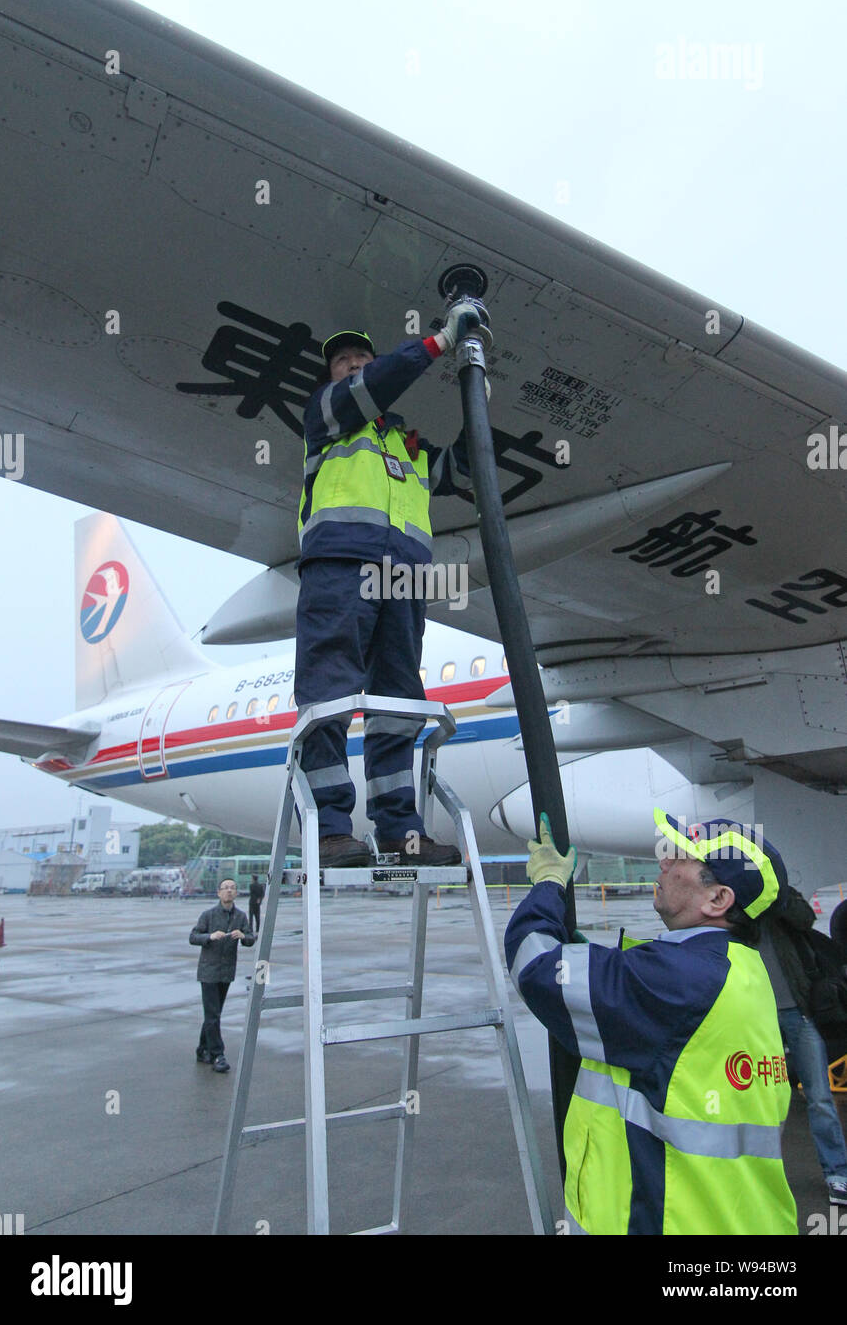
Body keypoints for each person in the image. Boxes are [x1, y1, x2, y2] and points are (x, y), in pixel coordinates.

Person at [505, 809, 798, 1235]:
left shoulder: (677, 981)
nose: (664, 861)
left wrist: (548, 884)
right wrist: (610, 973)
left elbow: (532, 963)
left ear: (718, 899)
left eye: (682, 857)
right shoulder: (740, 968)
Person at [294, 308, 481, 867]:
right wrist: (441, 341)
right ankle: (329, 829)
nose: (353, 369)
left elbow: (469, 470)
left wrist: (479, 394)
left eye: (361, 360)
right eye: (342, 364)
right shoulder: (326, 416)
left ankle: (401, 830)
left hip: (403, 578)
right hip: (340, 564)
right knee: (330, 690)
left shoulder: (408, 446)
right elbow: (371, 389)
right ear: (333, 379)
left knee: (398, 701)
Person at [758, 887, 847, 1205]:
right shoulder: (732, 903)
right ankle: (759, 1176)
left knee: (820, 1096)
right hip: (753, 1016)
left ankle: (838, 1174)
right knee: (757, 1100)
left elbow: (805, 918)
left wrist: (775, 894)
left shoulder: (778, 895)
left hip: (797, 1011)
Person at [189, 878, 256, 1072]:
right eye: (225, 888)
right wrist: (209, 937)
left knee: (214, 1013)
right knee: (213, 1014)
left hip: (226, 972)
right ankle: (218, 1054)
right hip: (208, 971)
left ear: (236, 893)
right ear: (218, 893)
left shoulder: (241, 917)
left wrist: (244, 937)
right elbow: (193, 937)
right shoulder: (208, 915)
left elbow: (251, 938)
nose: (229, 891)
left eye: (232, 888)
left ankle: (202, 1049)